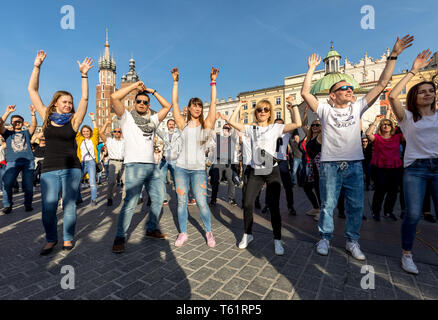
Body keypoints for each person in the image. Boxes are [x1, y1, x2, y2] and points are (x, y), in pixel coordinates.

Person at [301, 35, 413, 260]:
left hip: (353, 164)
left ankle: (353, 241)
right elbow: (305, 93)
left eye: (351, 87)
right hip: (330, 165)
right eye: (344, 88)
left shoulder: (357, 107)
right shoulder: (325, 110)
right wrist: (312, 68)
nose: (350, 90)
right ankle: (325, 238)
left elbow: (382, 84)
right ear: (333, 95)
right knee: (327, 205)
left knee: (355, 206)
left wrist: (393, 55)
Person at [28, 50, 93, 254]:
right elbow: (32, 90)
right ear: (56, 103)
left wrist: (84, 75)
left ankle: (67, 238)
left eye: (69, 102)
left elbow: (84, 98)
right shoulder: (46, 117)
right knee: (48, 208)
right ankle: (50, 238)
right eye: (64, 102)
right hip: (48, 169)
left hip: (71, 168)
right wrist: (37, 66)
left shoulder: (74, 122)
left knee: (70, 206)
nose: (68, 104)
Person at [226, 98, 302, 255]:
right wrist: (239, 106)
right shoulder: (251, 128)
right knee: (247, 204)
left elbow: (298, 124)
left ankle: (277, 240)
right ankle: (248, 234)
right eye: (260, 109)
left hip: (271, 169)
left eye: (266, 110)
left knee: (274, 207)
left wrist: (294, 105)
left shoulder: (276, 127)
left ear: (270, 113)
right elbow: (232, 122)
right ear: (256, 112)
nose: (262, 112)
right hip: (255, 170)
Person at [388, 49, 437, 275]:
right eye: (423, 92)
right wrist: (413, 71)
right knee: (413, 214)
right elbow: (391, 96)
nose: (428, 94)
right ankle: (407, 254)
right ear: (414, 97)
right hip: (415, 169)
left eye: (431, 91)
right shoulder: (407, 117)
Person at [111, 80, 172, 254]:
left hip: (152, 166)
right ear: (134, 103)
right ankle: (120, 237)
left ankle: (151, 228)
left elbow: (167, 106)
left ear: (148, 105)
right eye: (139, 101)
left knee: (159, 198)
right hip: (134, 165)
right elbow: (114, 97)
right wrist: (134, 88)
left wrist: (152, 91)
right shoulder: (126, 117)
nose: (142, 104)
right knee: (130, 202)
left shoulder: (152, 119)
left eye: (145, 102)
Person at [171, 67, 219, 248]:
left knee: (201, 203)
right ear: (190, 108)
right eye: (194, 105)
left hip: (198, 170)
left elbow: (213, 104)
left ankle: (208, 232)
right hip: (181, 169)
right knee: (181, 202)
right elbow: (174, 104)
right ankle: (183, 233)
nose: (197, 108)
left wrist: (213, 82)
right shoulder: (183, 124)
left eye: (200, 106)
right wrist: (176, 82)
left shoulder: (206, 126)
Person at [0, 105, 37, 214]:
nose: (17, 123)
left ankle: (28, 204)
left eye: (19, 121)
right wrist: (7, 112)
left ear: (22, 122)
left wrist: (33, 113)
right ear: (11, 123)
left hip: (28, 161)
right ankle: (7, 205)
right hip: (12, 161)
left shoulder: (26, 133)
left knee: (29, 185)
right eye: (15, 121)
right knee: (7, 183)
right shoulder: (7, 133)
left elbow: (34, 125)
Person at [366, 114, 403, 221]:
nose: (386, 126)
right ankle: (376, 212)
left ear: (392, 127)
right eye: (383, 125)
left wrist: (399, 121)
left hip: (395, 167)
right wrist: (376, 121)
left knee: (393, 191)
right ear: (380, 127)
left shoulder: (397, 137)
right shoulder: (376, 138)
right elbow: (368, 133)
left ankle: (388, 211)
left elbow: (408, 133)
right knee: (380, 190)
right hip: (379, 168)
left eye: (388, 124)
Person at [209, 122, 239, 207]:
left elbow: (236, 130)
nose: (226, 129)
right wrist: (213, 119)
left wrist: (231, 124)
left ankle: (231, 199)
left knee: (231, 181)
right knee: (215, 181)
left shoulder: (232, 138)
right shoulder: (218, 137)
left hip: (229, 163)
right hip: (218, 162)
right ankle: (213, 199)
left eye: (228, 128)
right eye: (224, 128)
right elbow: (212, 130)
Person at [155, 118, 182, 205]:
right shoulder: (164, 135)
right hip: (165, 160)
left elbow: (184, 127)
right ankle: (163, 198)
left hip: (174, 160)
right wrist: (156, 120)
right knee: (161, 179)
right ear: (167, 126)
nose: (171, 125)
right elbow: (156, 130)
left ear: (174, 125)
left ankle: (180, 198)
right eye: (169, 124)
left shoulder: (179, 134)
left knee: (176, 180)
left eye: (172, 124)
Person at [99, 119, 125, 206]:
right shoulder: (109, 140)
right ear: (113, 133)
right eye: (115, 131)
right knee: (111, 182)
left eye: (119, 131)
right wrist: (106, 123)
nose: (117, 133)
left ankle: (125, 199)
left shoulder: (124, 141)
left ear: (121, 133)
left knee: (125, 182)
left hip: (123, 163)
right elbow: (101, 133)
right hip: (113, 163)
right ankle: (109, 198)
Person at [76, 113, 99, 205]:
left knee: (92, 182)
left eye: (87, 131)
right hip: (81, 162)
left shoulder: (93, 139)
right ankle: (79, 199)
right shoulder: (80, 139)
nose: (85, 133)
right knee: (77, 182)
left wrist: (93, 119)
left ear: (90, 132)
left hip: (91, 162)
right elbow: (76, 128)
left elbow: (96, 130)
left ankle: (93, 199)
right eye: (84, 131)